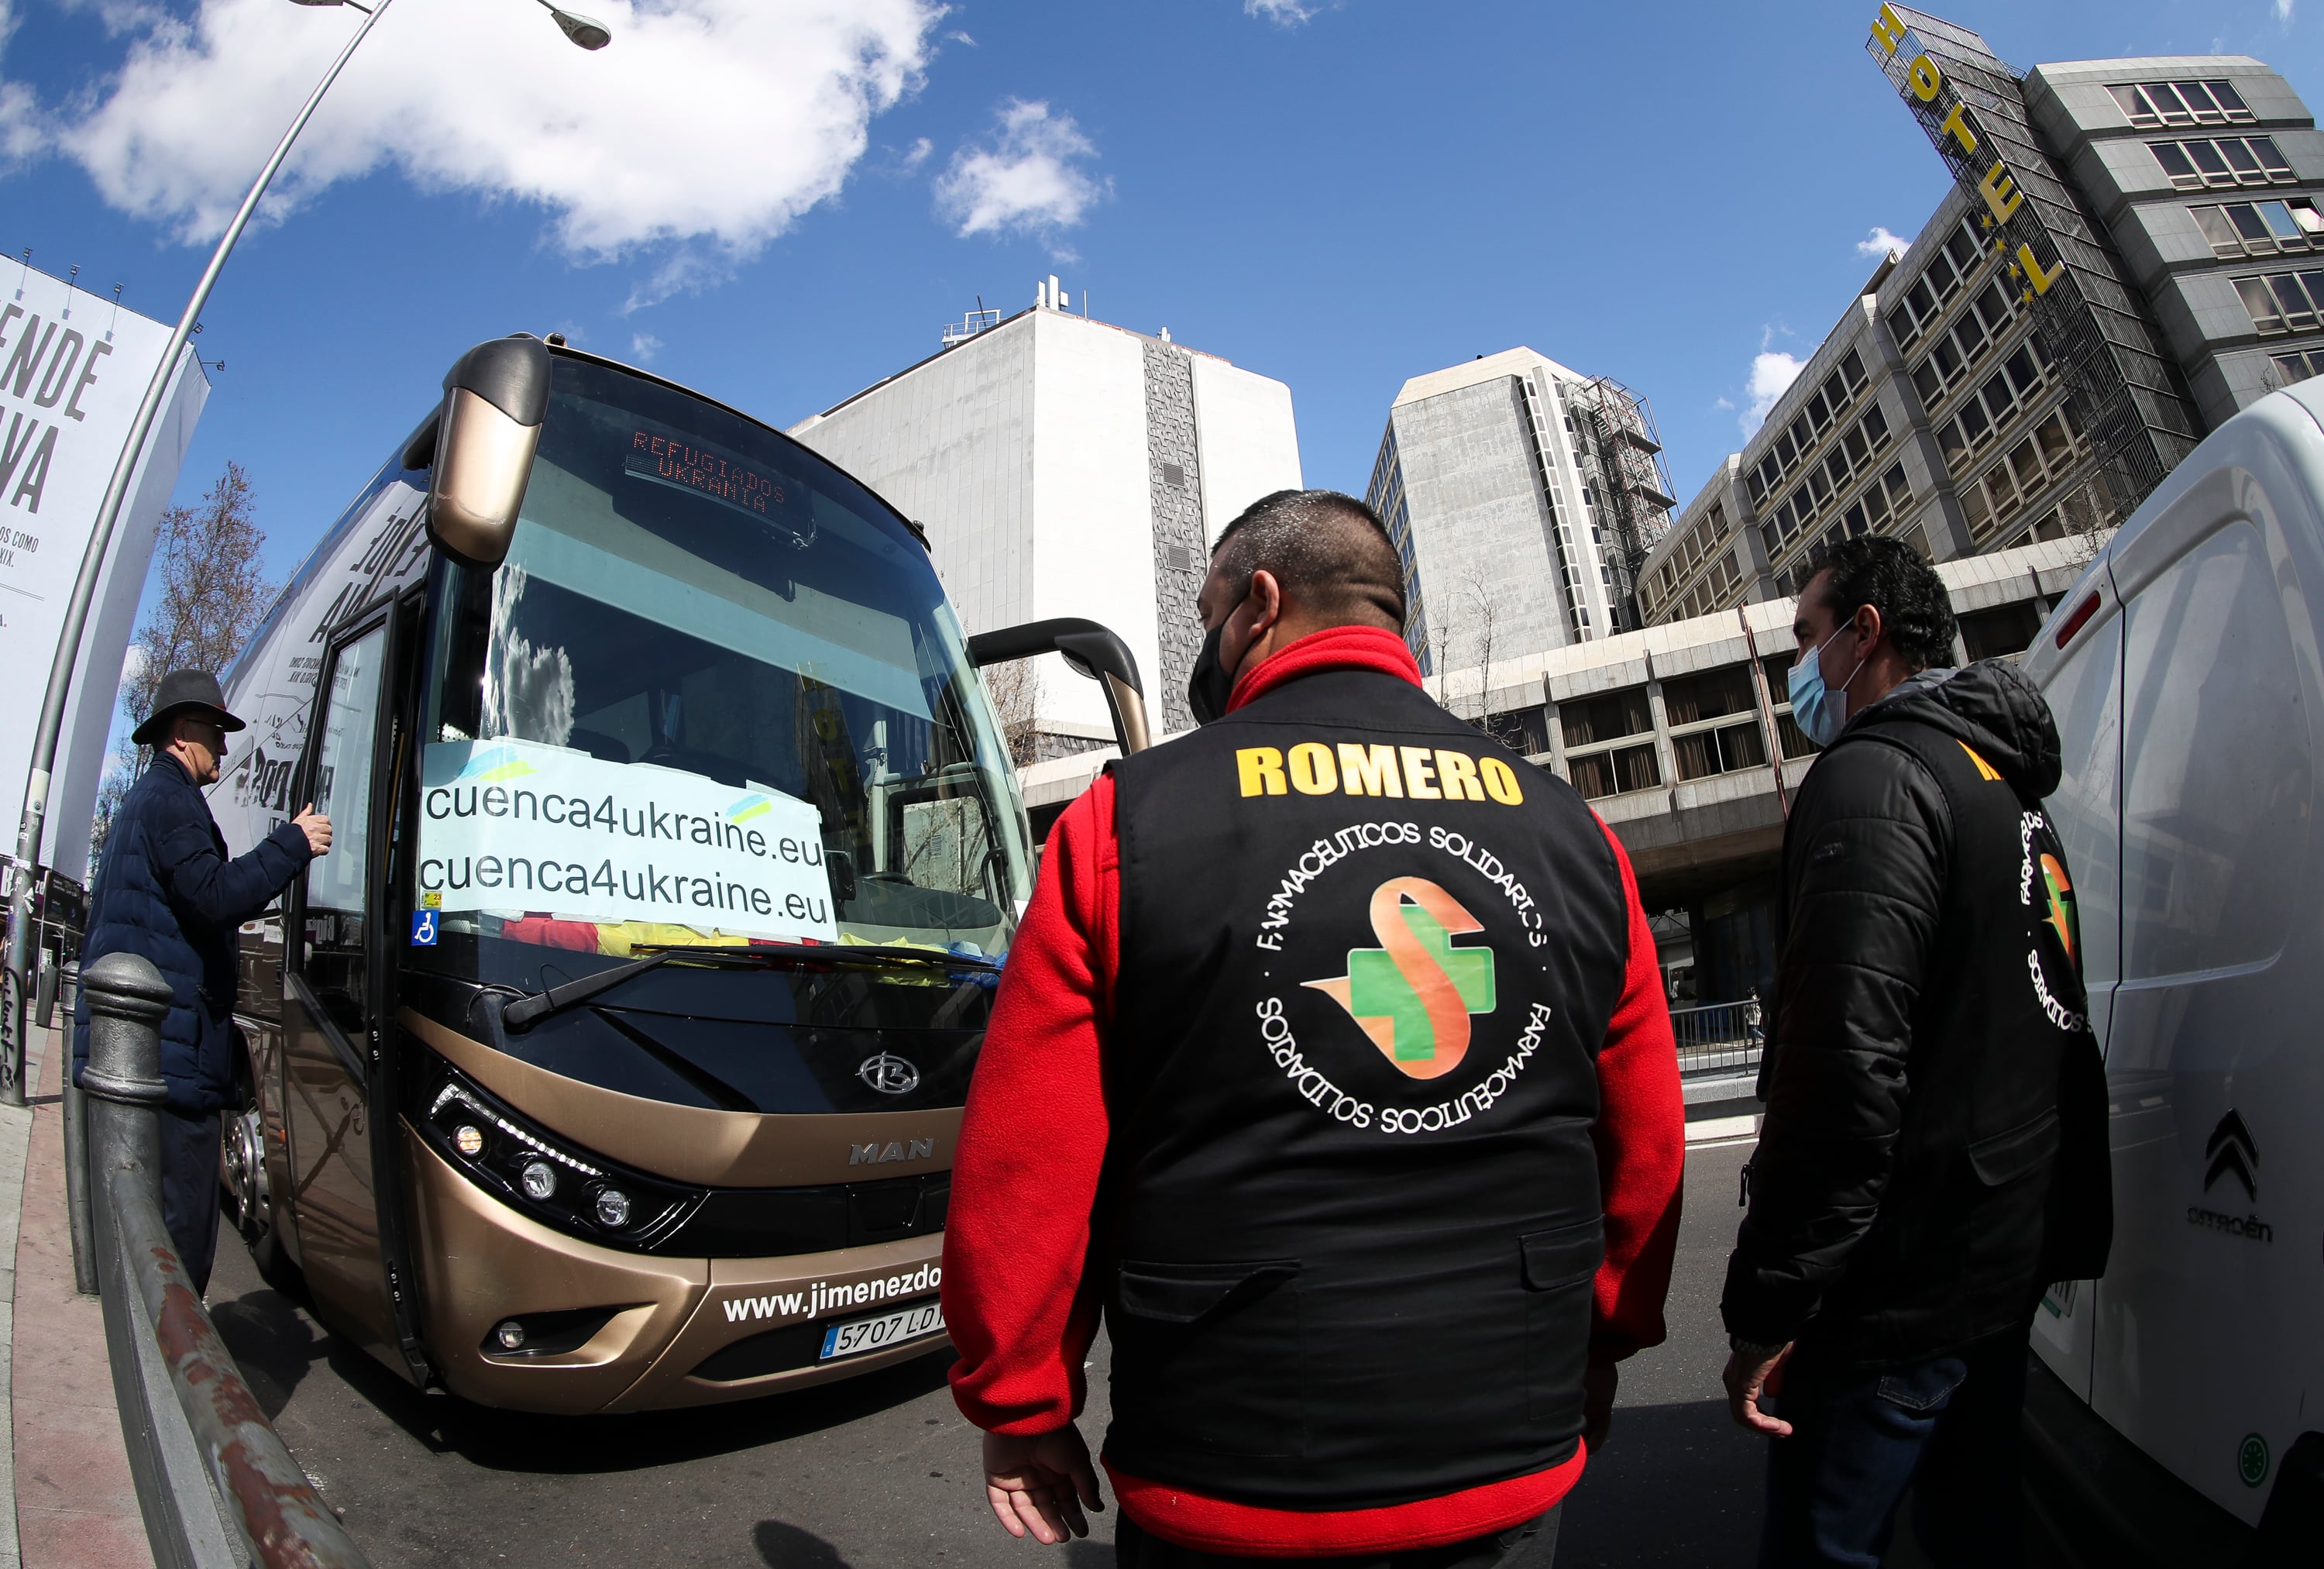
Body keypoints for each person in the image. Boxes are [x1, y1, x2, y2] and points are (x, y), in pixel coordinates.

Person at [943, 489, 1686, 1566]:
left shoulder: (1126, 824)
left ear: (1259, 604)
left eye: (1205, 612)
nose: (1206, 641)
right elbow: (1644, 1148)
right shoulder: (1575, 833)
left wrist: (1020, 1401)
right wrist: (1601, 1343)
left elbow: (1028, 1160)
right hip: (1507, 1444)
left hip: (1229, 1463)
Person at [1719, 538, 2110, 1568]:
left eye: (1806, 636)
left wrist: (1773, 1301)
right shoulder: (2001, 782)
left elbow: (1842, 1065)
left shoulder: (1873, 777)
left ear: (1865, 635)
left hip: (1900, 1289)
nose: (1796, 668)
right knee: (1976, 1527)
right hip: (1999, 1256)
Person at [74, 669, 331, 1293]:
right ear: (184, 731)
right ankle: (173, 1385)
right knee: (178, 1240)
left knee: (149, 1232)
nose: (223, 746)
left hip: (148, 1055)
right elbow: (214, 895)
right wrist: (293, 843)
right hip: (168, 1060)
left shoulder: (147, 801)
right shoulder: (172, 802)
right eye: (216, 732)